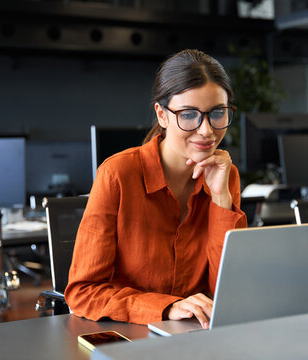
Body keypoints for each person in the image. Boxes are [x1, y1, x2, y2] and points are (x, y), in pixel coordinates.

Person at [65, 49, 248, 328]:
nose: (207, 131)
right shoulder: (118, 175)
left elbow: (229, 289)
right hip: (128, 337)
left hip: (197, 337)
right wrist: (167, 307)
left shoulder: (225, 175)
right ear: (162, 115)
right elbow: (83, 292)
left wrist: (220, 198)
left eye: (217, 114)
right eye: (189, 115)